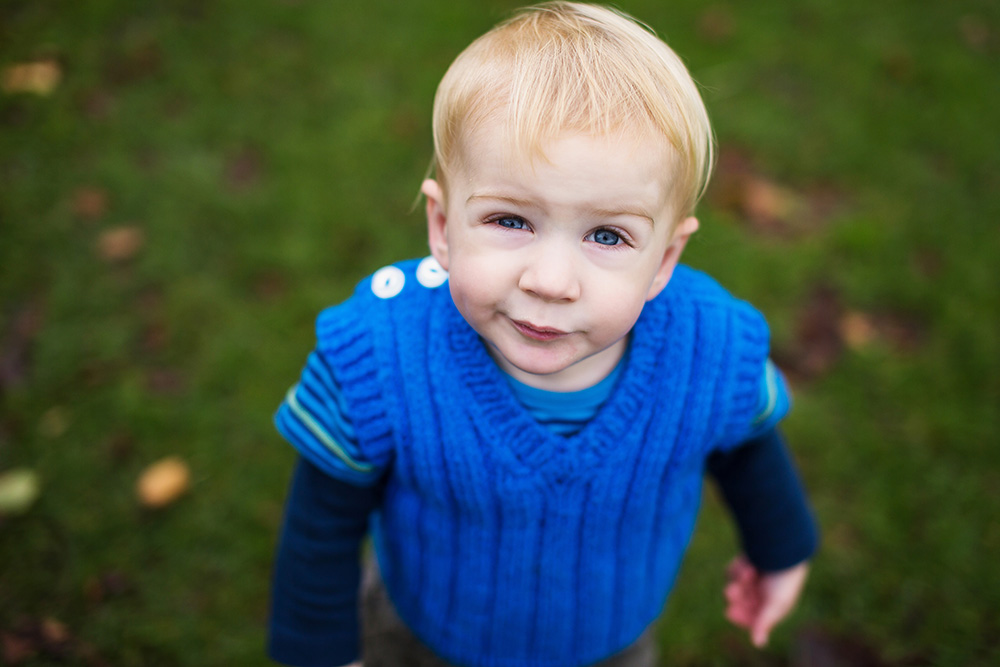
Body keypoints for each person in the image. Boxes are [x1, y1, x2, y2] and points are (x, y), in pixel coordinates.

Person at [268, 3, 819, 666]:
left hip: (610, 641)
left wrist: (782, 547)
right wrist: (321, 651)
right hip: (420, 633)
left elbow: (748, 445)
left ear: (665, 260)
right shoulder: (380, 356)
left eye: (608, 235)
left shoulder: (710, 349)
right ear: (443, 226)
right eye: (510, 220)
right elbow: (321, 517)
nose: (552, 279)